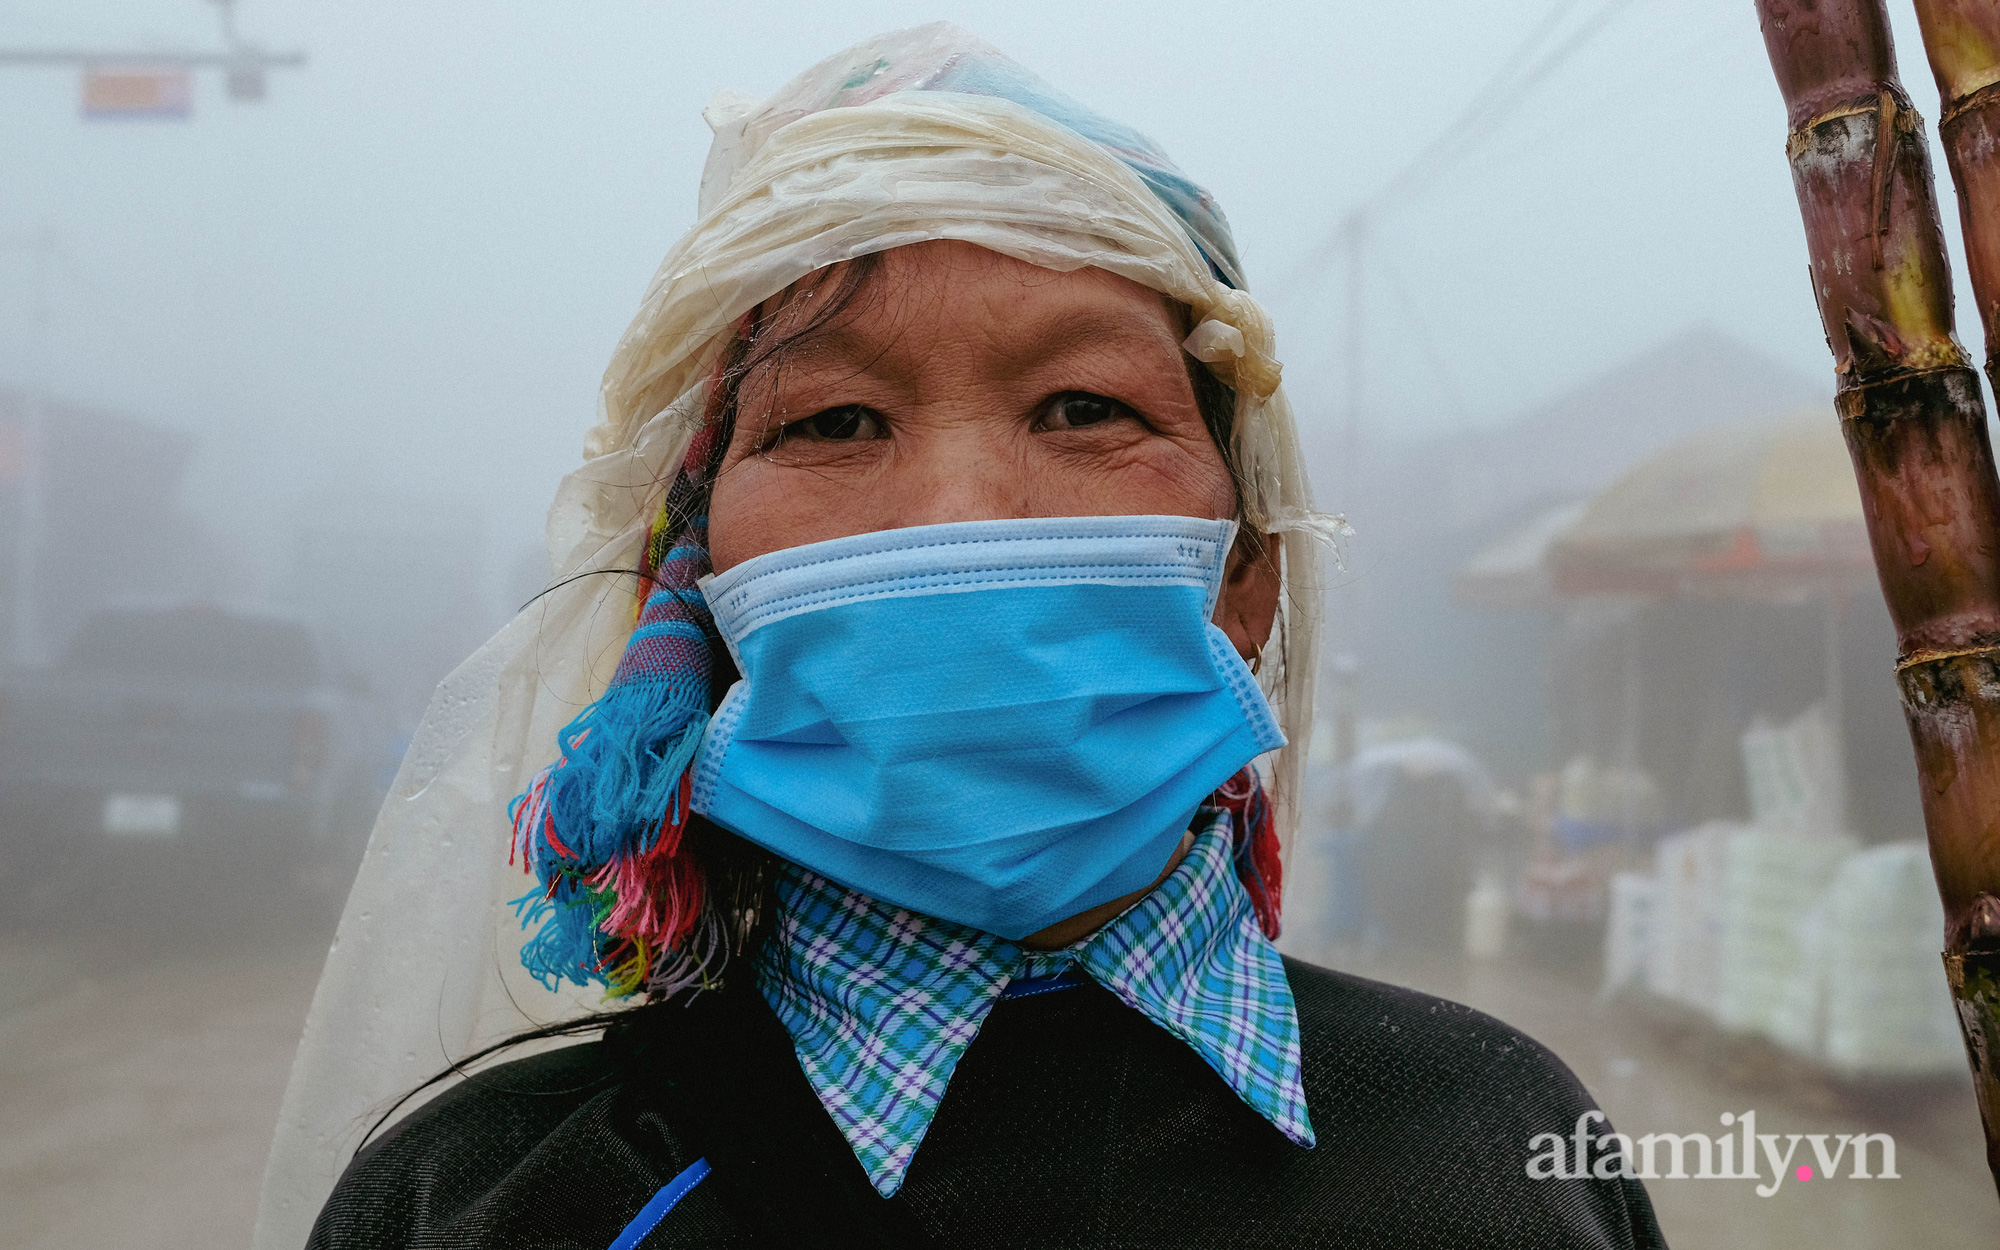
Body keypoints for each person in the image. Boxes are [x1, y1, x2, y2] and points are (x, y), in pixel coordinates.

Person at [262, 25, 1665, 1249]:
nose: (960, 514)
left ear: (1248, 575)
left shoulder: (1509, 1155)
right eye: (832, 423)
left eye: (1082, 409)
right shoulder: (476, 1206)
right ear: (687, 598)